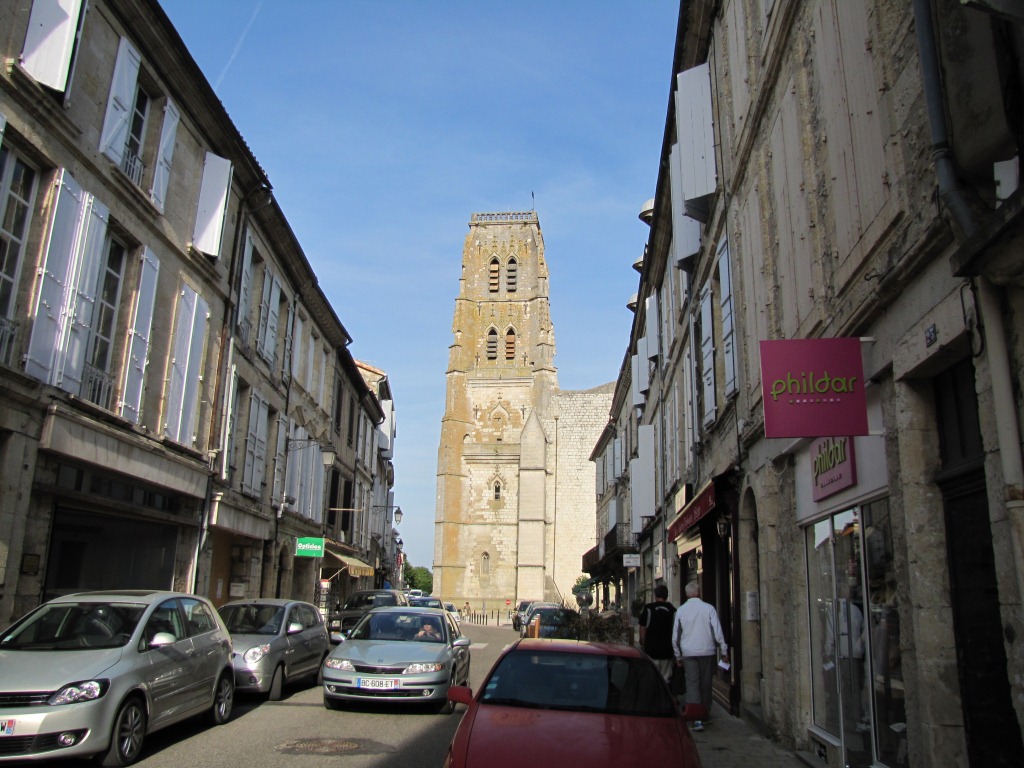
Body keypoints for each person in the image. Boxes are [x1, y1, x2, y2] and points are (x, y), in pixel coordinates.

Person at [672, 580, 729, 731]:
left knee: (692, 684)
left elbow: (676, 636)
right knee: (706, 683)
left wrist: (678, 655)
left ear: (687, 594)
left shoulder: (681, 611)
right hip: (707, 651)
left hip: (688, 652)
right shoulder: (709, 609)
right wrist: (723, 650)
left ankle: (696, 718)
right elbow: (717, 631)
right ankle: (705, 713)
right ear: (698, 593)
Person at [638, 584, 676, 683]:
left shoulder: (648, 608)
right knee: (665, 679)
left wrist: (643, 644)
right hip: (667, 651)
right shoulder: (672, 610)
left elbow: (642, 628)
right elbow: (676, 631)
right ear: (667, 595)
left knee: (652, 677)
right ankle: (664, 692)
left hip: (651, 650)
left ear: (655, 595)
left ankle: (653, 692)